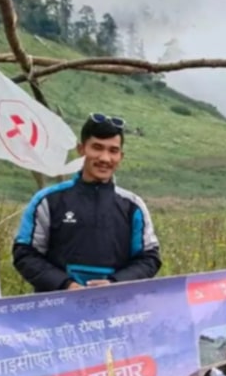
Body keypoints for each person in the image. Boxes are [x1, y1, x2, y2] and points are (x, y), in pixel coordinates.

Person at [13, 113, 161, 291]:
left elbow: (149, 258)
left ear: (121, 156)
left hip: (116, 304)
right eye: (97, 148)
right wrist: (65, 285)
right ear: (81, 149)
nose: (105, 158)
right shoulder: (47, 200)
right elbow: (25, 254)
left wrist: (115, 283)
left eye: (113, 151)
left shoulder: (133, 206)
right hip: (57, 304)